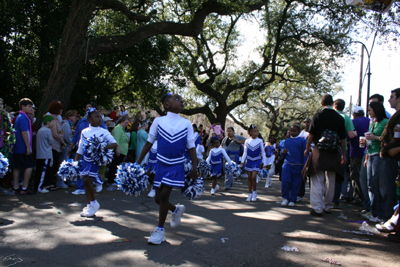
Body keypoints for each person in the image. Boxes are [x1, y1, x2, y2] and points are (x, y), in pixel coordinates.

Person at [137, 93, 197, 245]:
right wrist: (137, 163)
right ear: (167, 105)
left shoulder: (186, 123)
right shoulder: (158, 121)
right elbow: (149, 143)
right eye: (177, 99)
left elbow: (191, 146)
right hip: (160, 164)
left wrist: (195, 167)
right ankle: (175, 210)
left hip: (176, 164)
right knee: (158, 199)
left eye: (182, 99)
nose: (181, 100)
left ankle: (159, 230)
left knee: (163, 196)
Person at [304, 94, 346, 216]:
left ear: (322, 104)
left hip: (319, 152)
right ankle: (328, 206)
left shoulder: (318, 116)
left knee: (317, 179)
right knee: (331, 180)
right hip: (334, 152)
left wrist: (307, 149)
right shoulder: (339, 118)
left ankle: (317, 208)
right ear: (333, 103)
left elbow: (311, 135)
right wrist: (343, 154)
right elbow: (343, 138)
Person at [75, 108, 118, 217]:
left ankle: (93, 203)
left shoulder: (103, 132)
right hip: (85, 160)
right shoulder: (84, 132)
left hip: (95, 161)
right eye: (96, 117)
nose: (100, 119)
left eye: (100, 117)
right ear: (89, 119)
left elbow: (114, 143)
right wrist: (75, 162)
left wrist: (101, 147)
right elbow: (80, 147)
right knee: (86, 182)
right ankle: (89, 205)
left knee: (86, 180)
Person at [68, 102, 107, 195]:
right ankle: (80, 187)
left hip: (93, 149)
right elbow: (76, 135)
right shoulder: (81, 121)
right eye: (86, 108)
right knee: (81, 166)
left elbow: (104, 133)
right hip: (81, 149)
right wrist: (71, 147)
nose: (87, 109)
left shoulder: (99, 120)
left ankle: (94, 183)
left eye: (89, 107)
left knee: (90, 168)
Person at [361, 101, 389, 222]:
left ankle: (379, 213)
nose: (368, 111)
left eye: (370, 109)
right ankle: (373, 211)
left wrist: (375, 137)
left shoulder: (385, 123)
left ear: (376, 110)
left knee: (377, 184)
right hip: (370, 154)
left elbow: (386, 138)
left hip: (379, 155)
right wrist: (366, 154)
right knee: (370, 184)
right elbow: (369, 140)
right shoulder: (372, 123)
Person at [333, 99, 357, 208]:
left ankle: (325, 198)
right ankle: (335, 200)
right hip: (342, 149)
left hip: (327, 149)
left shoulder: (330, 116)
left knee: (327, 174)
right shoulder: (346, 118)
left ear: (335, 105)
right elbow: (351, 135)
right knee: (339, 175)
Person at [12, 98, 36, 194]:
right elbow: (24, 132)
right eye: (29, 106)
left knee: (17, 167)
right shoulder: (24, 118)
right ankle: (24, 187)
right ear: (23, 107)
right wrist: (28, 147)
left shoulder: (20, 117)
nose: (31, 109)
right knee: (29, 165)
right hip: (23, 147)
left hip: (17, 147)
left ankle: (16, 186)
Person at [280, 124, 307, 206]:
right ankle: (285, 198)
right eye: (291, 130)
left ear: (299, 132)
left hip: (298, 165)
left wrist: (305, 165)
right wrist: (283, 152)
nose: (292, 132)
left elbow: (305, 154)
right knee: (285, 181)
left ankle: (293, 199)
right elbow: (282, 152)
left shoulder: (302, 141)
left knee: (296, 183)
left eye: (295, 131)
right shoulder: (286, 141)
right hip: (287, 164)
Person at [240, 124, 267, 202]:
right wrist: (242, 162)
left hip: (257, 160)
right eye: (254, 131)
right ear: (250, 132)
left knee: (253, 177)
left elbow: (263, 152)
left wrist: (264, 163)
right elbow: (245, 153)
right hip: (249, 161)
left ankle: (254, 192)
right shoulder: (247, 141)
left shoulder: (260, 140)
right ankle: (250, 193)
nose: (256, 133)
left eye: (257, 131)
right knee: (249, 178)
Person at [348, 106, 369, 206]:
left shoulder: (353, 122)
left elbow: (349, 135)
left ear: (354, 114)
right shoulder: (370, 121)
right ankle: (367, 199)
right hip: (367, 152)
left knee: (356, 176)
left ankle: (359, 198)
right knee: (366, 177)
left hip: (355, 152)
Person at [107, 115, 129, 191]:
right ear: (121, 121)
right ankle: (111, 181)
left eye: (127, 123)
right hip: (118, 152)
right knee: (114, 166)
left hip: (122, 152)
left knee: (117, 166)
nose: (126, 125)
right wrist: (118, 149)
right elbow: (116, 140)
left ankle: (115, 180)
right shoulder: (118, 129)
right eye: (125, 123)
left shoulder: (122, 129)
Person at [34, 115, 55, 193]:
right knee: (43, 171)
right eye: (52, 121)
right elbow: (51, 141)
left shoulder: (40, 130)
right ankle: (39, 187)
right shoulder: (47, 131)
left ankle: (38, 186)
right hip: (45, 154)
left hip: (39, 153)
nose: (53, 123)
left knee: (39, 170)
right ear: (48, 122)